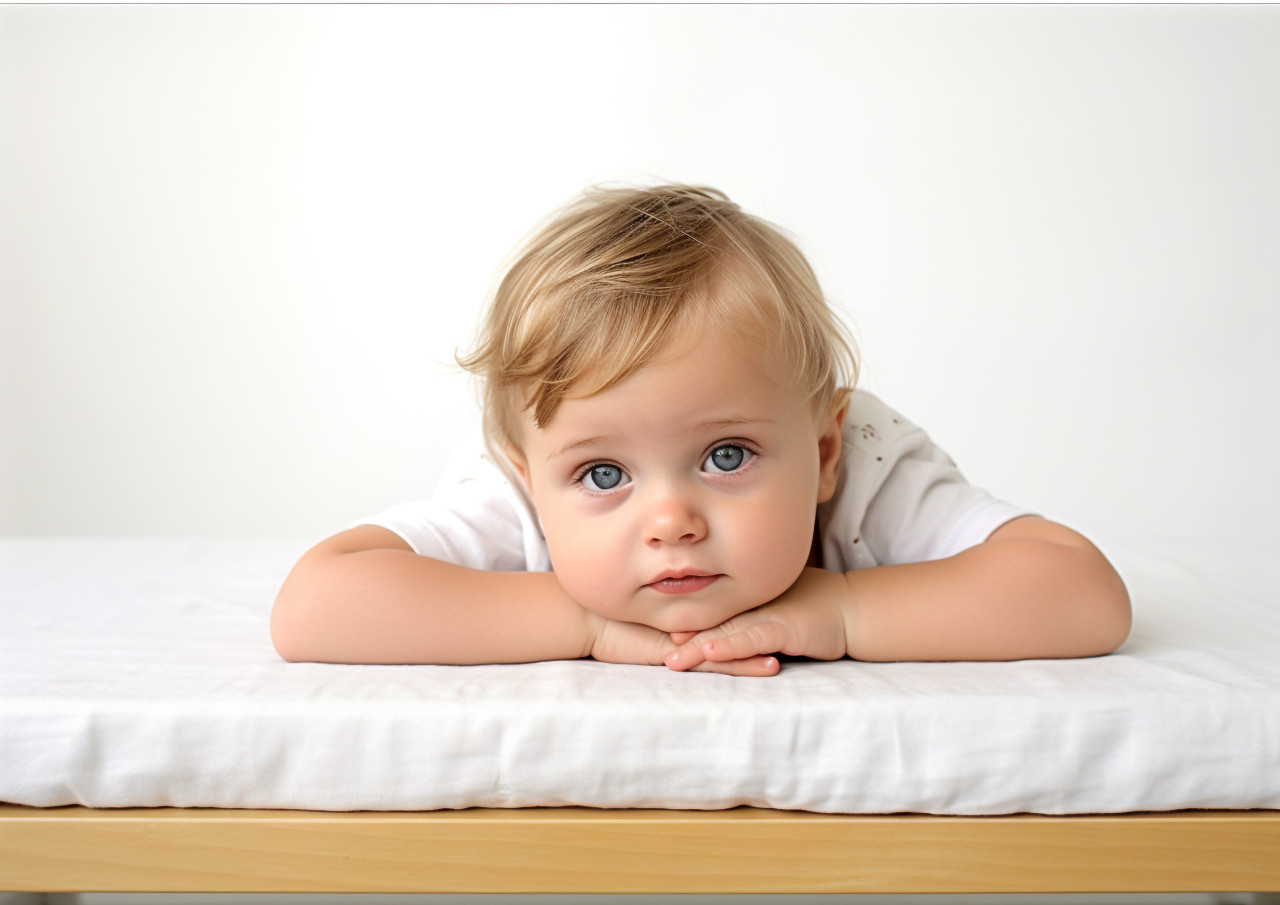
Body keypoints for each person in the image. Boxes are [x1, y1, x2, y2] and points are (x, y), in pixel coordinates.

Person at [271, 184, 1131, 676]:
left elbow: (1082, 593)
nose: (671, 520)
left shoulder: (867, 463)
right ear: (529, 479)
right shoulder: (516, 487)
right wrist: (580, 622)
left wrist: (841, 610)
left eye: (725, 456)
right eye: (604, 475)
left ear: (822, 451)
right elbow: (315, 606)